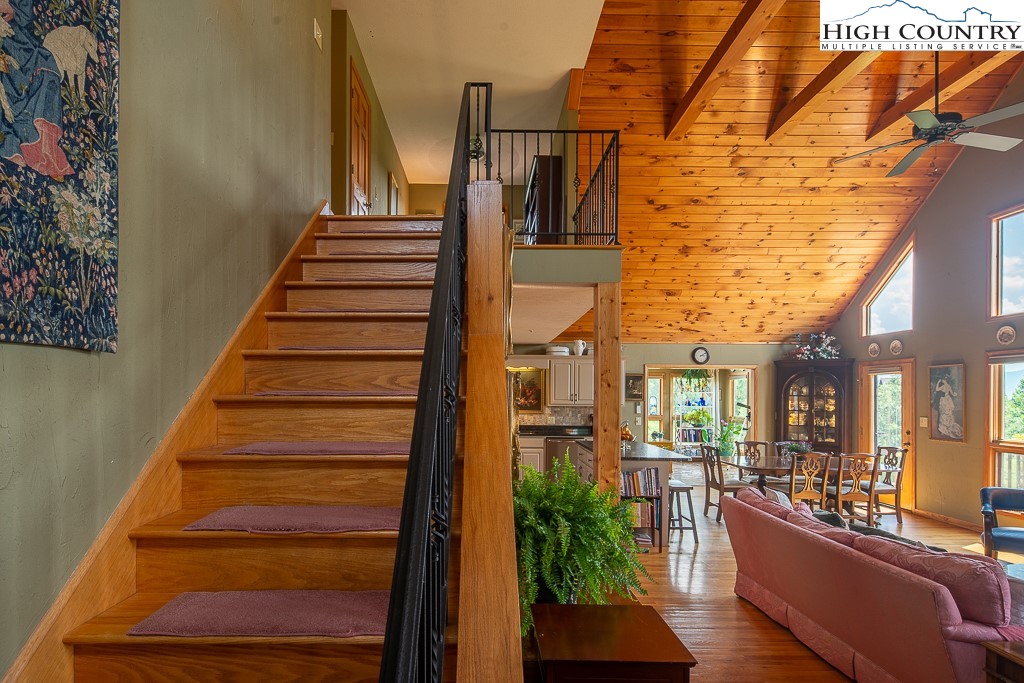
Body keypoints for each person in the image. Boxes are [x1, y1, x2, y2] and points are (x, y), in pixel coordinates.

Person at [0, 0, 73, 179]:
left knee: (45, 67)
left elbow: (23, 13)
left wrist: (10, 6)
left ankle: (46, 151)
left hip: (17, 40)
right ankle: (12, 147)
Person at [934, 375, 963, 440]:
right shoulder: (949, 386)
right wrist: (955, 394)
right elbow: (952, 394)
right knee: (948, 413)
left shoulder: (943, 386)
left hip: (944, 400)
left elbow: (937, 389)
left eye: (943, 380)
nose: (942, 380)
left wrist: (938, 382)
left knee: (943, 413)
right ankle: (948, 425)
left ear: (945, 380)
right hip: (948, 400)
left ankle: (944, 429)